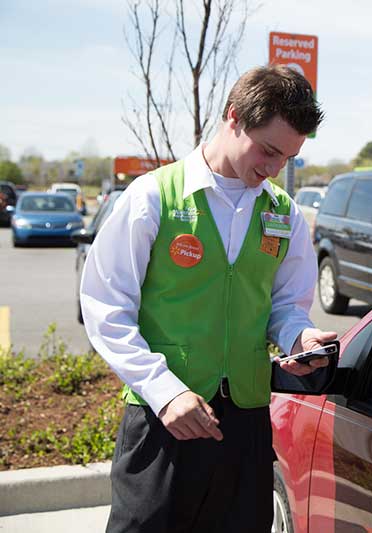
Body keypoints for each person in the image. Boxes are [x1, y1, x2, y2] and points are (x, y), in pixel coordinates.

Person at [80, 65, 335, 532]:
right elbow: (105, 307)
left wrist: (299, 338)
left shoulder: (285, 215)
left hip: (246, 428)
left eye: (288, 159)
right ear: (233, 117)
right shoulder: (152, 197)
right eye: (269, 150)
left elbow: (285, 306)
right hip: (163, 420)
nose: (274, 169)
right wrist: (164, 391)